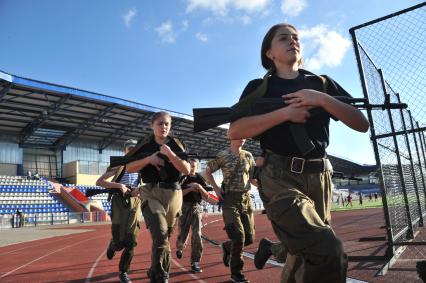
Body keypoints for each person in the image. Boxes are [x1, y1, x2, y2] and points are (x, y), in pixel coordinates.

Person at [228, 23, 369, 283]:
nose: (292, 41)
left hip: (320, 178)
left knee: (305, 255)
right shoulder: (259, 88)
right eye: (283, 38)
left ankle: (273, 249)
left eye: (296, 38)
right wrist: (285, 113)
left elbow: (361, 124)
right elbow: (235, 131)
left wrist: (322, 99)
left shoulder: (321, 83)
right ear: (269, 53)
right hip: (279, 177)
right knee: (328, 250)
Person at [127, 111, 190, 283]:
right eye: (160, 123)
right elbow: (128, 167)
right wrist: (149, 159)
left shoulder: (177, 144)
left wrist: (170, 155)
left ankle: (154, 270)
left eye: (167, 124)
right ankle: (162, 276)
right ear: (152, 125)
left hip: (173, 194)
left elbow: (187, 170)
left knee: (164, 238)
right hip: (150, 192)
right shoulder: (144, 144)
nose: (164, 127)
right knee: (161, 234)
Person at [205, 137, 256, 283]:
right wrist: (215, 188)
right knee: (238, 237)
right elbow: (208, 171)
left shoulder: (248, 155)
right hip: (229, 199)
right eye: (239, 135)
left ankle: (228, 247)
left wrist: (265, 188)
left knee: (249, 237)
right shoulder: (223, 155)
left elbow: (252, 178)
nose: (242, 138)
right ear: (231, 137)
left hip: (246, 199)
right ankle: (237, 272)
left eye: (244, 136)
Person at [96, 139, 141, 283]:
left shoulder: (141, 166)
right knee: (119, 239)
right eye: (130, 148)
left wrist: (139, 190)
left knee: (132, 239)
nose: (132, 150)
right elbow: (100, 182)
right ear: (125, 150)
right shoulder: (118, 165)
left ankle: (123, 271)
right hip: (119, 201)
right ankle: (113, 244)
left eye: (135, 148)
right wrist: (119, 186)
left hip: (135, 202)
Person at [175, 158, 210, 273]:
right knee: (183, 232)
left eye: (194, 166)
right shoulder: (181, 178)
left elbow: (207, 196)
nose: (191, 168)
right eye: (190, 166)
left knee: (197, 233)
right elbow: (177, 194)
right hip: (183, 207)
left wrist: (199, 187)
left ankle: (195, 262)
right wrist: (190, 188)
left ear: (197, 167)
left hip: (196, 207)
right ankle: (180, 247)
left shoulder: (200, 179)